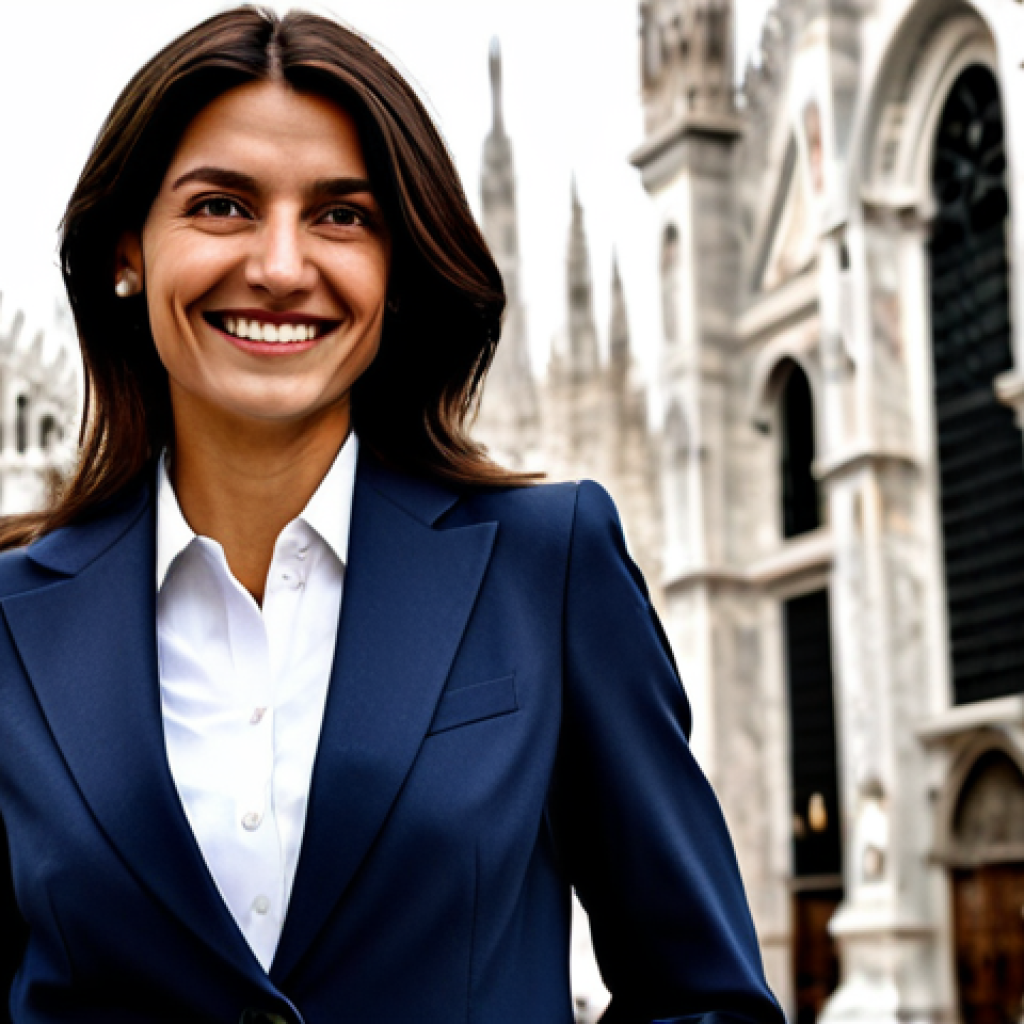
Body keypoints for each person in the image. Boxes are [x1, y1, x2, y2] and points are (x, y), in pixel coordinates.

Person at [0, 7, 785, 1023]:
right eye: (223, 206)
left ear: (399, 273)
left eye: (342, 215)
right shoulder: (16, 623)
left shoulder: (546, 570)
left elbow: (704, 996)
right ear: (127, 252)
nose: (280, 266)